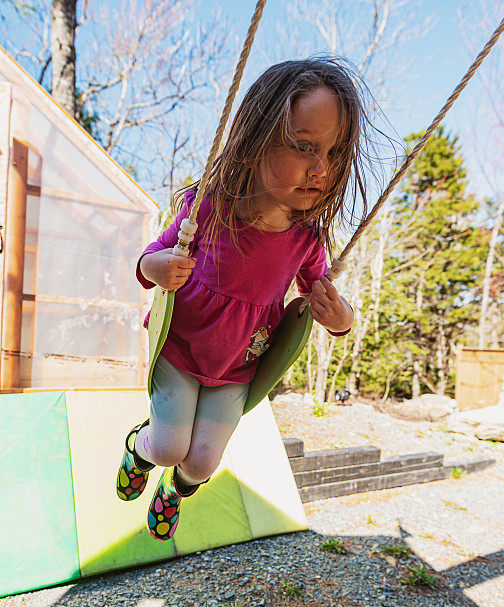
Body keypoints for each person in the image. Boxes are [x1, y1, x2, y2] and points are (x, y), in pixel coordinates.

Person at [116, 58, 373, 541]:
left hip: (237, 368)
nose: (322, 168)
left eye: (336, 154)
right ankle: (139, 447)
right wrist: (158, 267)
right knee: (170, 445)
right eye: (303, 147)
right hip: (179, 351)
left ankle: (174, 491)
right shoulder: (208, 208)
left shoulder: (306, 241)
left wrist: (341, 319)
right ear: (256, 142)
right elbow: (148, 262)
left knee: (200, 462)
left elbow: (323, 301)